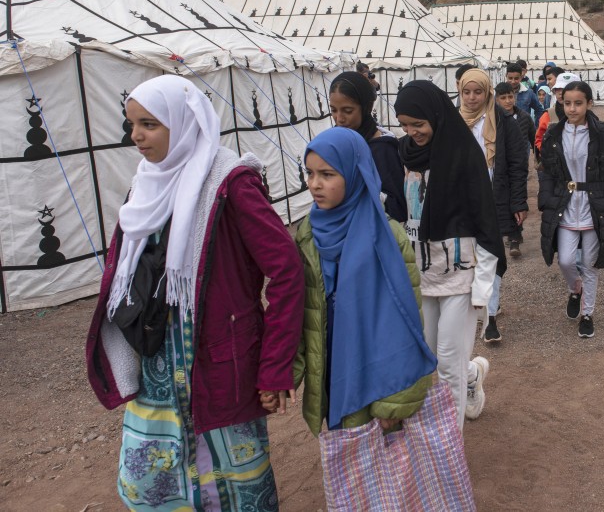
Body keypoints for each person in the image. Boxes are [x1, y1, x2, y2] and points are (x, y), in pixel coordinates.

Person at [86, 75, 304, 510]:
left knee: (231, 488)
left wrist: (274, 366)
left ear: (182, 123)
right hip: (158, 368)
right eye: (132, 124)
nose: (136, 136)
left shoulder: (231, 183)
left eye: (149, 124)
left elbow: (286, 271)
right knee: (157, 485)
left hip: (217, 362)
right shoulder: (146, 186)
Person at [292, 127, 436, 453]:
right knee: (348, 458)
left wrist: (393, 402)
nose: (315, 184)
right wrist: (288, 372)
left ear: (355, 173)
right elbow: (303, 313)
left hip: (376, 377)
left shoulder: (386, 236)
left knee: (381, 466)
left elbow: (404, 320)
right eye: (310, 173)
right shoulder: (308, 233)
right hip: (332, 367)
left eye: (327, 174)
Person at [394, 80, 507, 427]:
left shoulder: (463, 155)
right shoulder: (403, 154)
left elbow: (486, 223)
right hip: (421, 272)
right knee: (426, 356)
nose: (412, 132)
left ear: (436, 117)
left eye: (419, 124)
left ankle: (449, 451)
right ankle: (472, 374)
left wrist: (483, 289)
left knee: (446, 362)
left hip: (461, 272)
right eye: (405, 125)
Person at [538, 80, 604, 339]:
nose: (572, 109)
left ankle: (587, 314)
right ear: (561, 104)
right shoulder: (553, 135)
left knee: (590, 264)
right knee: (565, 260)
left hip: (594, 207)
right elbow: (546, 172)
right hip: (565, 206)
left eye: (578, 103)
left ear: (589, 104)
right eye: (567, 103)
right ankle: (575, 289)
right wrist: (547, 198)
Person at [458, 70, 528, 344]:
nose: (472, 98)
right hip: (462, 200)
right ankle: (481, 306)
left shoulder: (501, 119)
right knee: (469, 256)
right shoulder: (452, 121)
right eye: (467, 92)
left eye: (478, 92)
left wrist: (518, 201)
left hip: (494, 197)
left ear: (487, 93)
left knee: (490, 256)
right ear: (461, 92)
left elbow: (517, 162)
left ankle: (489, 318)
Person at [328, 71, 406, 223]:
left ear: (366, 107)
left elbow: (398, 209)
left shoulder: (382, 150)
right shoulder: (336, 143)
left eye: (348, 111)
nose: (339, 118)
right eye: (333, 110)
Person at [535, 71, 576, 154]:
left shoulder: (587, 116)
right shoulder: (549, 115)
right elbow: (539, 139)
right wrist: (549, 155)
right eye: (558, 89)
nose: (560, 93)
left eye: (565, 89)